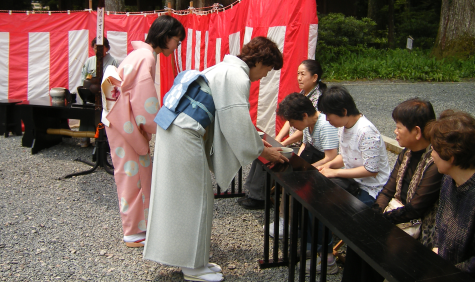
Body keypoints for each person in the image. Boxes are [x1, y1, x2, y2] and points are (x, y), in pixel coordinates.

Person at [144, 36, 288, 282]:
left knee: (191, 199)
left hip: (177, 128)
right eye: (268, 69)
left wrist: (255, 141)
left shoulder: (226, 68)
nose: (265, 76)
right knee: (195, 200)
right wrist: (264, 151)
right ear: (260, 61)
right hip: (184, 133)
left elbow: (234, 120)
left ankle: (195, 261)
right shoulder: (238, 76)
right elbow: (238, 125)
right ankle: (193, 268)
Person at [101, 15, 185, 248]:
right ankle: (134, 232)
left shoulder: (139, 54)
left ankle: (138, 226)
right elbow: (143, 99)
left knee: (130, 174)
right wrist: (159, 124)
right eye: (177, 41)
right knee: (134, 175)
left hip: (119, 117)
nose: (177, 46)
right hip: (124, 120)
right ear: (166, 37)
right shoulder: (146, 57)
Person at [341, 98, 442, 282]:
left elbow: (416, 208)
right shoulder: (407, 152)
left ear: (417, 132)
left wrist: (383, 220)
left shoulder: (434, 162)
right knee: (358, 238)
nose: (395, 132)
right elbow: (388, 189)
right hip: (398, 217)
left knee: (374, 244)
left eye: (398, 127)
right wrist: (376, 213)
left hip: (418, 227)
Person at [238, 59, 327, 209]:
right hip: (295, 143)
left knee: (272, 154)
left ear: (314, 77)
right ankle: (253, 192)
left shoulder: (318, 99)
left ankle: (259, 196)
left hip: (302, 146)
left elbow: (304, 128)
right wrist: (278, 139)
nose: (299, 78)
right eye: (298, 74)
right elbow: (289, 119)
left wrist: (283, 143)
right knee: (262, 150)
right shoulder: (303, 94)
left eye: (303, 74)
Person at [273, 92, 340, 275]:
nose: (293, 127)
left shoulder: (325, 126)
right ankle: (307, 241)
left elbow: (331, 157)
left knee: (314, 202)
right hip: (314, 164)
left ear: (304, 115)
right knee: (292, 188)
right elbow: (305, 145)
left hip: (330, 170)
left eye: (293, 123)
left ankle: (325, 254)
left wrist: (308, 168)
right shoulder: (310, 124)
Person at [317, 85, 391, 206]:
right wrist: (327, 166)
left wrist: (335, 173)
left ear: (344, 111)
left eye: (328, 114)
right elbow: (345, 156)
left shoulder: (366, 131)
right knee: (319, 196)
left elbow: (371, 170)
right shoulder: (343, 127)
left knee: (334, 208)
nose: (327, 119)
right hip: (354, 182)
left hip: (371, 188)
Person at [427, 110, 475, 279]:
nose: (431, 155)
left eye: (434, 150)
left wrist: (442, 270)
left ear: (450, 157)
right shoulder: (449, 180)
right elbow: (441, 222)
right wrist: (437, 248)